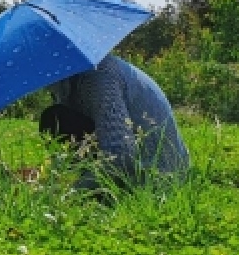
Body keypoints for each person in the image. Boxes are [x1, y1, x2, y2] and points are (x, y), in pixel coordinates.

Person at [39, 54, 189, 190]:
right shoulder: (72, 78)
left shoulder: (98, 76)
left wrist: (71, 191)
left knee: (54, 119)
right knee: (57, 119)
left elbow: (120, 154)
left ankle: (92, 188)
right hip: (145, 165)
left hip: (157, 177)